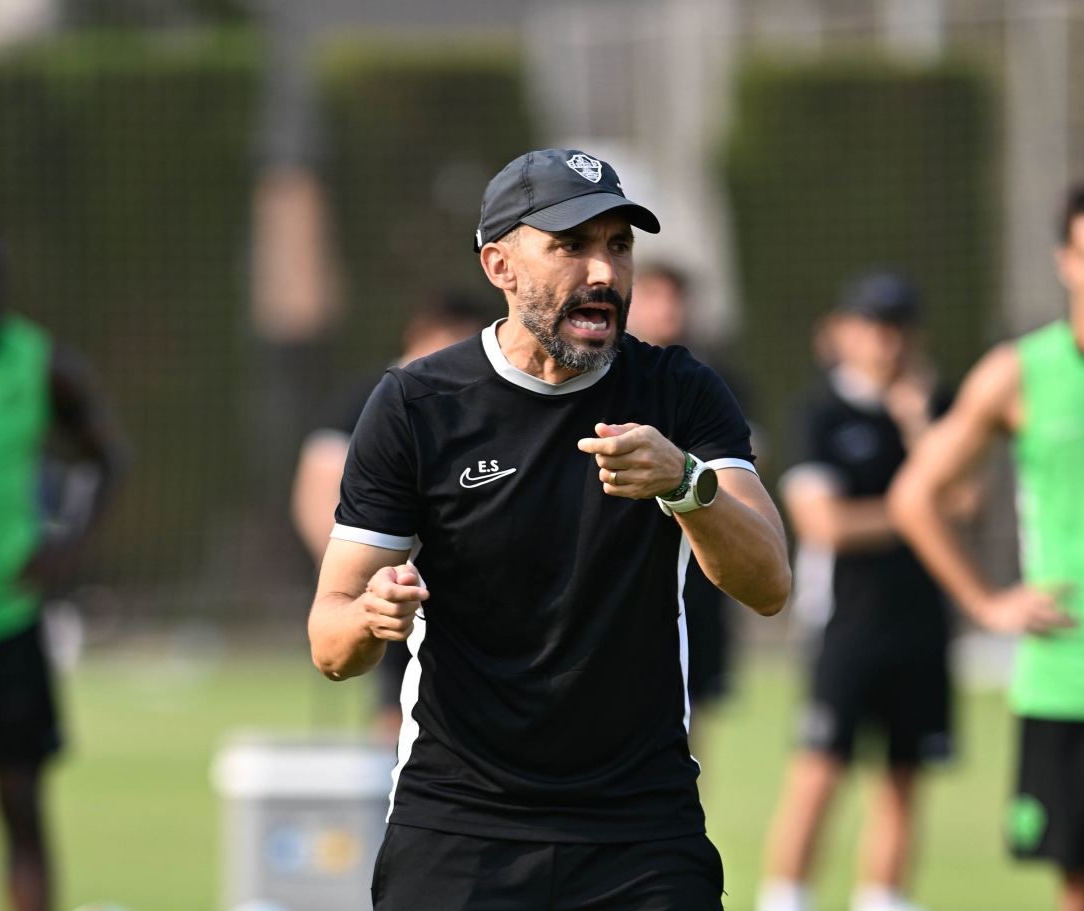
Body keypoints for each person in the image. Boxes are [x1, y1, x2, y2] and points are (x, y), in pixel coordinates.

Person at [307, 148, 791, 910]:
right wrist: (371, 616)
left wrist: (687, 485)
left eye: (619, 245)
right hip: (460, 825)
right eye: (572, 245)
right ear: (499, 263)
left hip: (642, 829)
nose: (603, 271)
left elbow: (768, 584)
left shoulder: (680, 392)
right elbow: (329, 642)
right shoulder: (416, 406)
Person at [890, 174, 1084, 911]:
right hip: (1070, 683)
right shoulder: (1020, 373)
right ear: (1065, 262)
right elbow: (915, 496)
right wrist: (987, 601)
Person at [759, 272, 958, 911]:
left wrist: (919, 428)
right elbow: (827, 524)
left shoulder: (937, 406)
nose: (886, 342)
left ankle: (885, 900)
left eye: (898, 328)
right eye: (873, 326)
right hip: (845, 625)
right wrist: (918, 510)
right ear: (840, 333)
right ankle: (786, 898)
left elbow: (968, 500)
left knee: (905, 777)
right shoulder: (818, 413)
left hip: (924, 622)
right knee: (820, 769)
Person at [0, 216, 125, 911]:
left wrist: (67, 543)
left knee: (21, 807)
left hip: (7, 623)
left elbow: (105, 458)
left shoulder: (42, 362)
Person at [291, 294, 487, 742]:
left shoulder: (480, 398)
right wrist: (350, 564)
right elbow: (315, 487)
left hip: (456, 577)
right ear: (418, 337)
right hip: (390, 575)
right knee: (394, 701)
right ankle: (394, 784)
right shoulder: (369, 397)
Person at [627, 263, 765, 716]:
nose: (668, 309)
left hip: (701, 555)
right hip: (630, 558)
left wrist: (681, 474)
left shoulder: (716, 380)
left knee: (693, 695)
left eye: (675, 297)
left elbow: (746, 462)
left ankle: (685, 783)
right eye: (654, 296)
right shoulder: (603, 376)